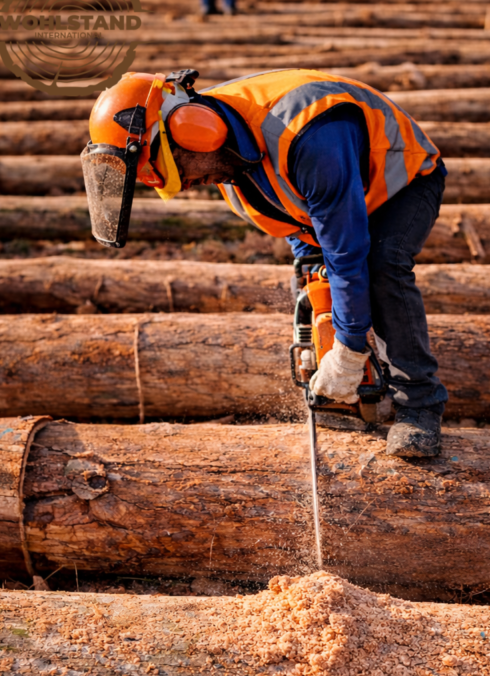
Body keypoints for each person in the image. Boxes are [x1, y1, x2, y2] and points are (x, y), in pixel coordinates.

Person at [81, 69, 449, 457]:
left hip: (402, 179)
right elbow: (296, 219)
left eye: (177, 171)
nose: (185, 185)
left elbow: (346, 251)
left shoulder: (307, 135)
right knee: (320, 284)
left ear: (192, 131)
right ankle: (361, 383)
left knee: (382, 264)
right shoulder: (231, 170)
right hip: (336, 196)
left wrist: (348, 349)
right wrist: (318, 295)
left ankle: (419, 404)